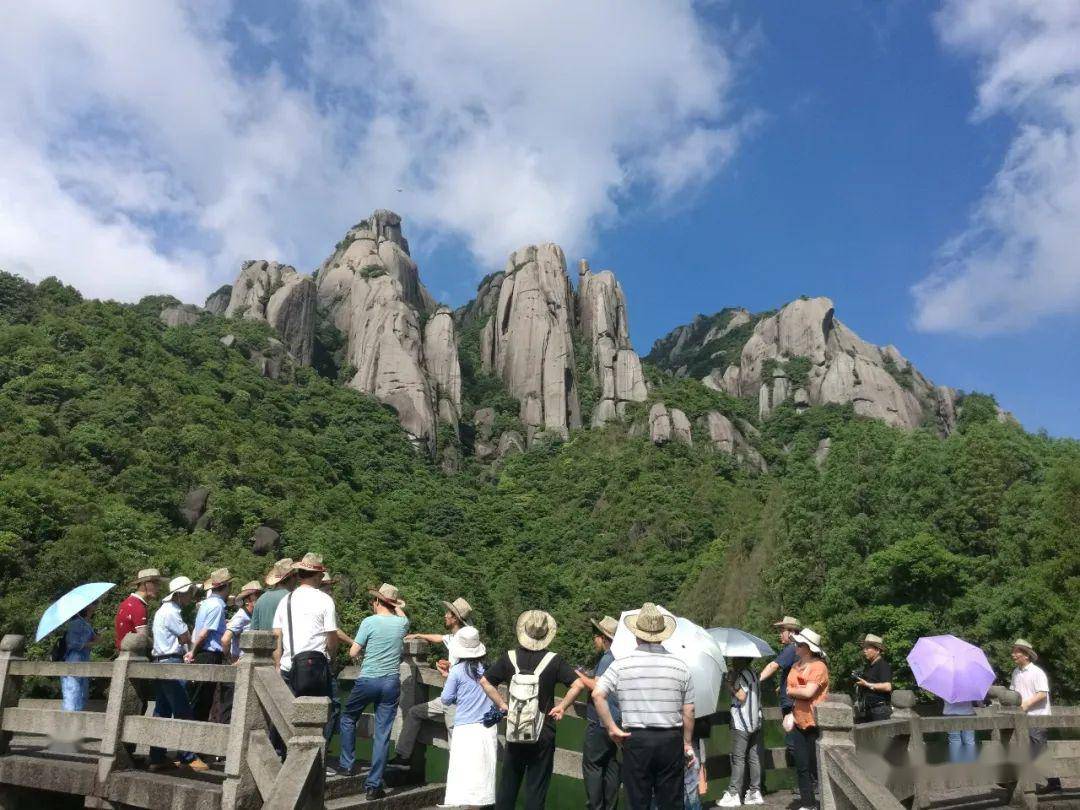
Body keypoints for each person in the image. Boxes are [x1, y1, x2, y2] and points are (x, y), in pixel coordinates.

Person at [593, 602, 696, 810]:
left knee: (637, 802)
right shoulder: (680, 666)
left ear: (636, 634)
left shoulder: (622, 664)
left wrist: (612, 728)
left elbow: (597, 694)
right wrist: (687, 744)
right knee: (671, 803)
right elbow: (689, 710)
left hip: (636, 740)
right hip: (670, 740)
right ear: (663, 634)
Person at [480, 610, 578, 810]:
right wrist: (562, 707)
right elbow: (578, 685)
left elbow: (485, 681)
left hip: (515, 728)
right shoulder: (554, 660)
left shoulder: (509, 657)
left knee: (508, 784)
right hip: (543, 732)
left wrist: (502, 704)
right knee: (536, 788)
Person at [335, 583, 409, 799]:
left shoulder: (369, 622)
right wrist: (398, 606)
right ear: (393, 604)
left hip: (368, 680)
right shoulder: (402, 624)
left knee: (348, 718)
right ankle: (373, 786)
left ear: (377, 602)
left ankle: (347, 764)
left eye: (374, 601)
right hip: (391, 683)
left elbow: (353, 651)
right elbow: (403, 616)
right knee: (383, 733)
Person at [389, 596, 474, 768]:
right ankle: (404, 756)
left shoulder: (462, 639)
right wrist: (420, 635)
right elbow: (440, 638)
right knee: (415, 712)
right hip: (449, 697)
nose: (444, 616)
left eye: (447, 613)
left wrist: (449, 669)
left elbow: (464, 668)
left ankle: (457, 779)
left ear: (455, 618)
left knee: (454, 740)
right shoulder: (460, 636)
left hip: (456, 700)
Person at [550, 616, 621, 810]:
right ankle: (610, 806)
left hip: (600, 719)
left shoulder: (608, 657)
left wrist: (578, 674)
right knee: (610, 764)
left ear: (604, 638)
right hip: (615, 719)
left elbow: (598, 686)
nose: (594, 640)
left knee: (592, 765)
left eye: (596, 636)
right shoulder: (618, 656)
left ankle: (596, 806)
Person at [149, 576, 207, 772]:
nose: (191, 597)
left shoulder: (162, 611)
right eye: (189, 593)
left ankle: (157, 756)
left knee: (162, 711)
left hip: (160, 661)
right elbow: (185, 637)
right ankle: (188, 756)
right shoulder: (172, 613)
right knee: (182, 708)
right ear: (180, 594)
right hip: (171, 661)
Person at [440, 626, 497, 807]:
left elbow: (446, 699)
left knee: (463, 775)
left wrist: (447, 678)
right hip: (487, 727)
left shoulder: (457, 671)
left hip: (465, 728)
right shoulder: (489, 670)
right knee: (483, 776)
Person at [784, 627, 829, 810]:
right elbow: (795, 691)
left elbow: (809, 692)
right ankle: (808, 804)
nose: (796, 646)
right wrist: (793, 703)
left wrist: (793, 691)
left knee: (816, 766)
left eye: (799, 644)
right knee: (801, 766)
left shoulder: (819, 667)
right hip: (798, 720)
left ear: (808, 647)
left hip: (814, 722)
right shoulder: (795, 666)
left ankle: (826, 802)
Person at [1010, 639, 1060, 793]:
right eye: (1013, 651)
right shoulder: (1015, 672)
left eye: (1016, 651)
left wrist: (1025, 705)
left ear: (1026, 655)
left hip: (1037, 717)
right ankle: (1017, 780)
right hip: (1022, 719)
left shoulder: (1037, 672)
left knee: (1038, 751)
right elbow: (1013, 693)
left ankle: (1054, 783)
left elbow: (1042, 694)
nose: (1013, 654)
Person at [187, 568, 232, 728]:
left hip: (202, 653)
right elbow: (205, 633)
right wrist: (193, 651)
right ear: (227, 586)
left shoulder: (206, 603)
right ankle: (195, 744)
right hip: (209, 654)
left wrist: (193, 650)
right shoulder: (217, 606)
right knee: (204, 700)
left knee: (198, 698)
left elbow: (198, 630)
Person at [758, 615, 800, 775]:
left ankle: (809, 781)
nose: (780, 634)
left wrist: (755, 681)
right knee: (797, 742)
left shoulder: (791, 649)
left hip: (791, 705)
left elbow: (774, 665)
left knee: (793, 743)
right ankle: (809, 781)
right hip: (793, 703)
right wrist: (780, 686)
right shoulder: (799, 649)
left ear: (792, 632)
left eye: (782, 631)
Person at [719, 657, 763, 806]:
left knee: (738, 759)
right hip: (755, 722)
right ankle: (754, 792)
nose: (732, 660)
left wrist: (729, 684)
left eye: (734, 658)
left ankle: (733, 794)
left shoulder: (743, 674)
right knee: (753, 757)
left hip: (742, 722)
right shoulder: (754, 673)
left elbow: (741, 696)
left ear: (741, 659)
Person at [218, 580, 262, 724]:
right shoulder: (241, 616)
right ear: (249, 600)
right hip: (240, 666)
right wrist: (231, 659)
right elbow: (225, 639)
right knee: (231, 705)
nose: (260, 598)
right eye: (257, 596)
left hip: (248, 667)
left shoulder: (251, 616)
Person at [318, 572, 355, 741]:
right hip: (324, 661)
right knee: (333, 706)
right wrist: (353, 643)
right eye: (328, 586)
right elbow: (334, 631)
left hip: (305, 661)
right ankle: (323, 747)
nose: (331, 589)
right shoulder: (325, 603)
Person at [114, 569, 165, 650]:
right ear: (145, 584)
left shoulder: (126, 603)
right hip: (134, 656)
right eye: (156, 583)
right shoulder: (138, 606)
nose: (159, 588)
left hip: (124, 653)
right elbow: (143, 639)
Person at [61, 603, 98, 712]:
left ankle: (77, 717)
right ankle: (70, 719)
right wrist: (91, 643)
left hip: (84, 658)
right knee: (73, 690)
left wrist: (95, 639)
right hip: (74, 658)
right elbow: (72, 643)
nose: (95, 607)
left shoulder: (86, 623)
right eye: (93, 604)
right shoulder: (76, 623)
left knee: (82, 691)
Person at [854, 634, 892, 723]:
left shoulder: (883, 665)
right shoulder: (869, 666)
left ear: (877, 650)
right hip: (869, 709)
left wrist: (867, 684)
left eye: (867, 648)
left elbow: (888, 686)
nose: (864, 651)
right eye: (864, 648)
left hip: (880, 709)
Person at [251, 558, 295, 631]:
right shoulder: (291, 598)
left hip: (263, 642)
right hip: (283, 642)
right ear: (292, 577)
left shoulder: (261, 599)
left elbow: (253, 630)